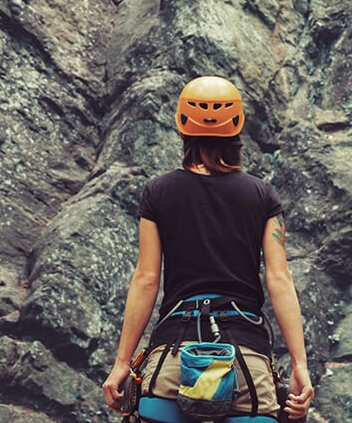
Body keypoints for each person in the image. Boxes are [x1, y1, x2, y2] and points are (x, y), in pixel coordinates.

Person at [102, 76, 314, 422]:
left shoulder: (158, 193)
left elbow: (146, 279)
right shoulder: (262, 196)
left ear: (183, 128)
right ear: (236, 129)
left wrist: (122, 363)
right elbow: (279, 279)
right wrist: (300, 365)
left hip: (173, 359)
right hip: (247, 361)